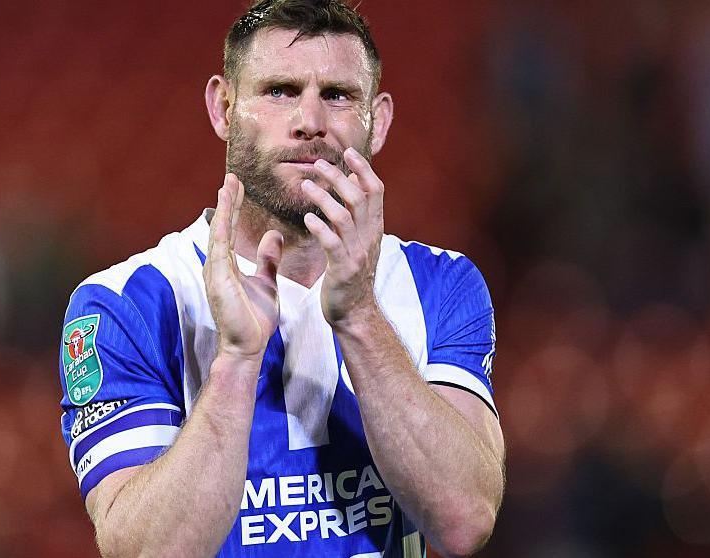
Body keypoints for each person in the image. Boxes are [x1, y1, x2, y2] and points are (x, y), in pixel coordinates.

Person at [57, 1, 505, 556]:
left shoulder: (442, 283)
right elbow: (147, 551)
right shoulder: (127, 305)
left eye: (338, 95)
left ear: (380, 120)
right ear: (222, 107)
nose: (310, 121)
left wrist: (361, 317)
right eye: (280, 91)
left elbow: (463, 523)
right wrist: (237, 361)